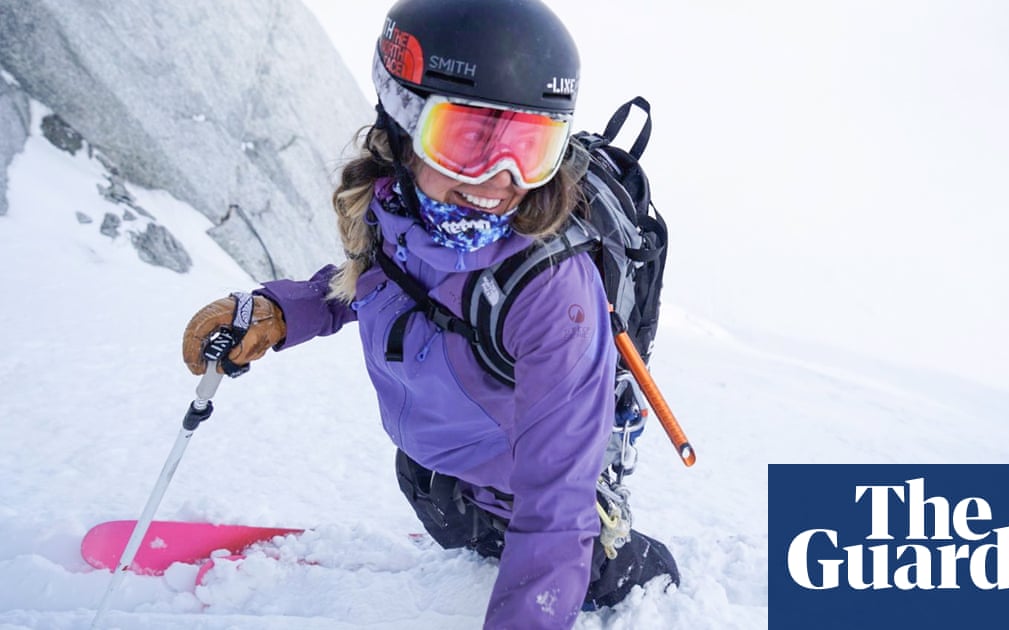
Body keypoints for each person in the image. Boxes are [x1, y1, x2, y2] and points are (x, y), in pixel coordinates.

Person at [179, 0, 679, 627]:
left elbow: (555, 501)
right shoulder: (393, 208)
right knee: (443, 509)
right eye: (467, 138)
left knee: (571, 558)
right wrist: (283, 312)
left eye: (529, 149)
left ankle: (636, 566)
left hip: (533, 481)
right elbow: (384, 281)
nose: (499, 179)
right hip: (437, 464)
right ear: (401, 124)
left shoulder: (552, 292)